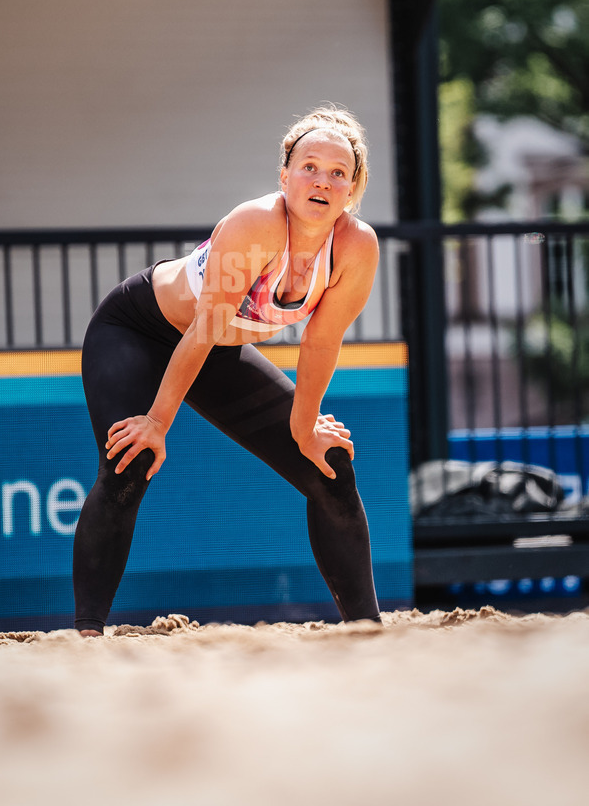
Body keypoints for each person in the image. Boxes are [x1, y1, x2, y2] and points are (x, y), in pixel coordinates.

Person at [73, 106, 381, 636]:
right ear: (284, 175)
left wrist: (306, 427)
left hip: (217, 347)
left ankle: (367, 632)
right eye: (309, 166)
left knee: (329, 465)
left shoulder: (356, 246)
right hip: (139, 331)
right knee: (130, 459)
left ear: (352, 189)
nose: (322, 181)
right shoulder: (257, 225)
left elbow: (321, 341)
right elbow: (200, 329)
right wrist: (157, 422)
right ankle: (86, 636)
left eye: (338, 173)